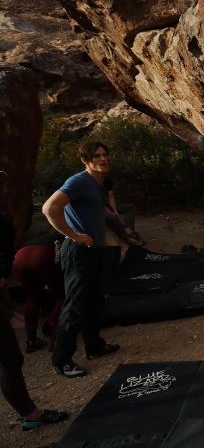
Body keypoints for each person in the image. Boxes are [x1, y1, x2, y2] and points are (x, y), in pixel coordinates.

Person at [42, 142, 120, 378]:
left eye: (105, 154)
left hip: (93, 250)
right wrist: (74, 235)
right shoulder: (79, 181)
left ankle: (94, 346)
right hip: (78, 251)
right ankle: (61, 360)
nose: (103, 159)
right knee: (75, 306)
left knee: (94, 300)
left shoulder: (97, 183)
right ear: (85, 160)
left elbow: (97, 214)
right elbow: (49, 208)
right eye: (97, 156)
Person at [0, 214, 69, 431]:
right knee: (9, 359)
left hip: (23, 259)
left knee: (33, 298)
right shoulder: (60, 241)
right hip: (39, 258)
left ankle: (32, 339)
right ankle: (53, 335)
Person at [11, 233, 65, 353]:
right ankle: (55, 339)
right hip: (44, 253)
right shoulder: (66, 236)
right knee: (62, 296)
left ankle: (31, 341)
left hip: (20, 257)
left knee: (32, 298)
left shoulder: (41, 236)